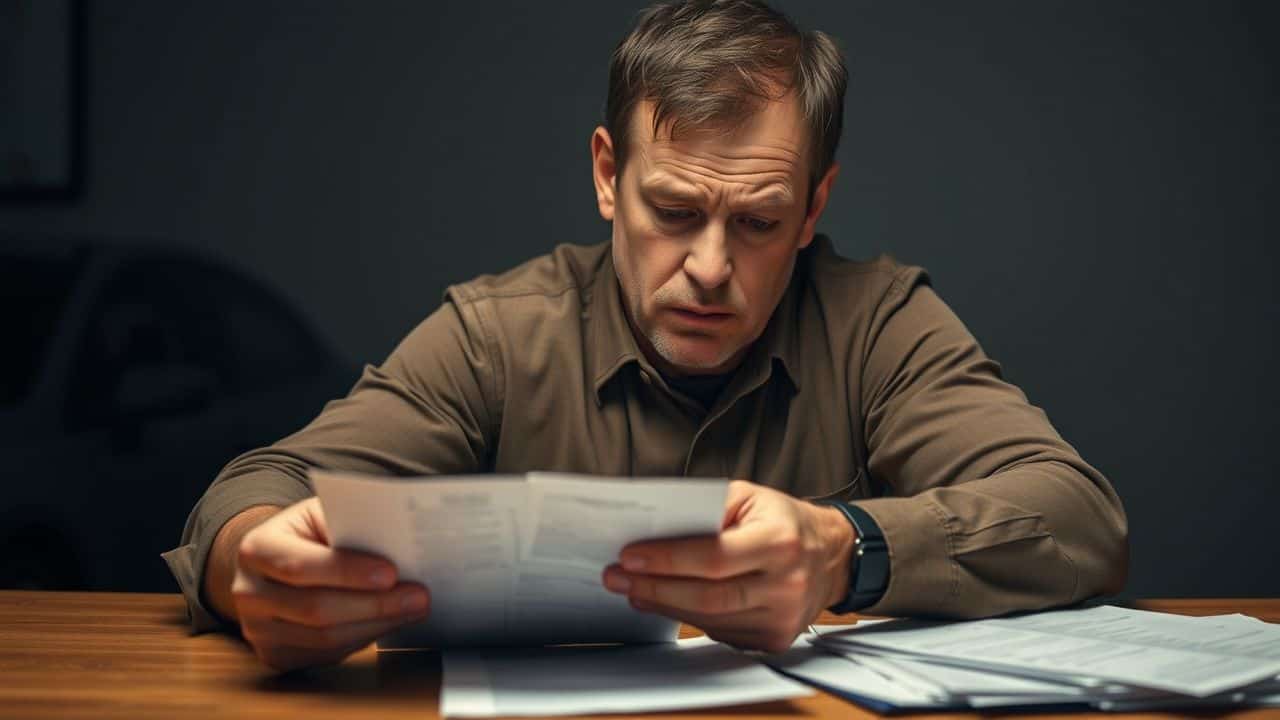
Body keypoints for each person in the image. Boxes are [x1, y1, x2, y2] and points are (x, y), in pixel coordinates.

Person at [163, 0, 1128, 672]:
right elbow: (259, 489)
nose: (710, 266)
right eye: (673, 210)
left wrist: (847, 549)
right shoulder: (500, 334)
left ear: (812, 208)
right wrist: (256, 568)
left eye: (756, 222)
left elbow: (1080, 517)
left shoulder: (877, 320)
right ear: (607, 177)